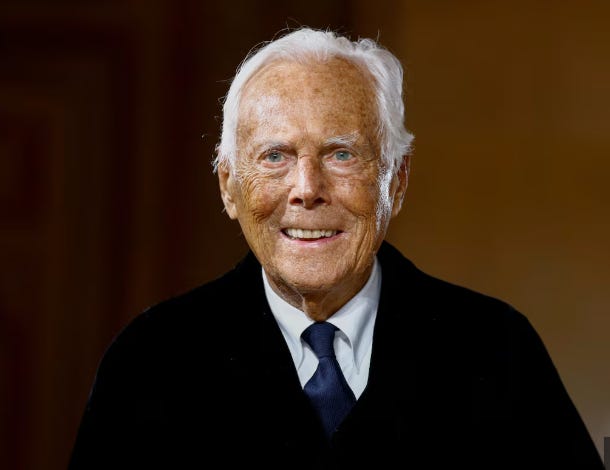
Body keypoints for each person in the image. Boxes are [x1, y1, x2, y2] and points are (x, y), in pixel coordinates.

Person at [68, 27, 603, 470]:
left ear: (397, 180)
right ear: (228, 186)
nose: (307, 188)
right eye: (275, 156)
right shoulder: (150, 363)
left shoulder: (496, 351)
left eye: (342, 154)